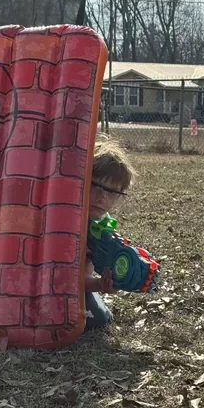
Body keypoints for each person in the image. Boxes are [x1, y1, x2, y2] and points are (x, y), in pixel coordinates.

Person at [85, 137, 135, 331]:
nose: (102, 197)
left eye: (112, 192)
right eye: (95, 186)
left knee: (100, 317)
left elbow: (79, 281)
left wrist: (104, 284)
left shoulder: (101, 226)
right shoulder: (67, 219)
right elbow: (64, 282)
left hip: (75, 290)